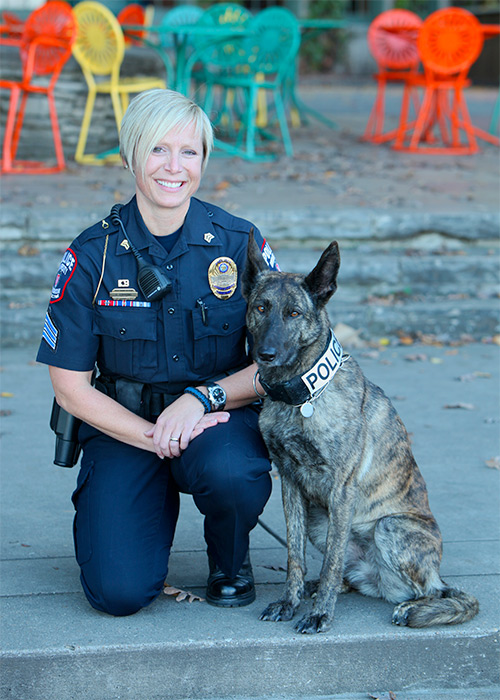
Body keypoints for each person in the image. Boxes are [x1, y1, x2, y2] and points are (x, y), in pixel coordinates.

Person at [36, 88, 280, 617]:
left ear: (204, 161)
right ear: (130, 155)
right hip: (125, 426)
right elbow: (69, 386)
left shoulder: (239, 243)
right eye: (157, 150)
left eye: (188, 152)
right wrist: (156, 435)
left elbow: (277, 363)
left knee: (233, 473)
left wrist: (201, 399)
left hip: (216, 419)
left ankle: (231, 562)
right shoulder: (91, 255)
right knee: (117, 593)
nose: (174, 167)